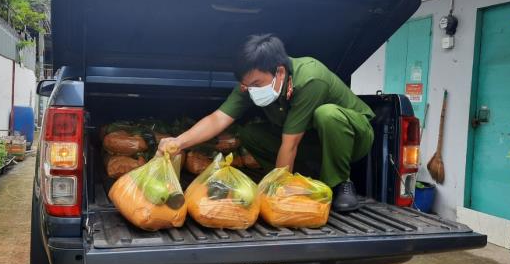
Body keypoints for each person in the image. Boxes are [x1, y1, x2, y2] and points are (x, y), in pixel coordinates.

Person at [158, 34, 375, 212]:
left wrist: (277, 196)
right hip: (315, 143)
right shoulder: (251, 84)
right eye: (245, 85)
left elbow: (290, 144)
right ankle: (301, 181)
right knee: (250, 132)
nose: (250, 89)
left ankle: (340, 184)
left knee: (327, 115)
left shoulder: (310, 78)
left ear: (279, 71)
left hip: (353, 138)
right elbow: (218, 118)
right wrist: (178, 141)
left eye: (255, 83)